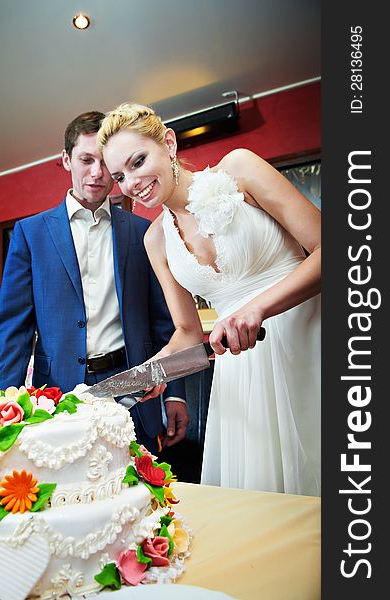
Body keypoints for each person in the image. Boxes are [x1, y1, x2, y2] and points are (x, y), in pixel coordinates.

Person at [97, 103, 321, 496]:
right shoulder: (156, 240)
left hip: (311, 340)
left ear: (168, 143)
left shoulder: (239, 168)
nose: (131, 181)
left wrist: (259, 307)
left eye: (138, 161)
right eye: (120, 175)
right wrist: (152, 373)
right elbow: (186, 332)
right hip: (244, 376)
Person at [0, 111, 189, 455]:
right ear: (66, 159)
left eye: (104, 164)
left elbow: (166, 321)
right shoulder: (30, 234)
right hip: (56, 396)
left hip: (135, 389)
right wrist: (4, 402)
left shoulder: (144, 233)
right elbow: (13, 328)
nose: (97, 174)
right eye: (85, 160)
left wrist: (174, 391)